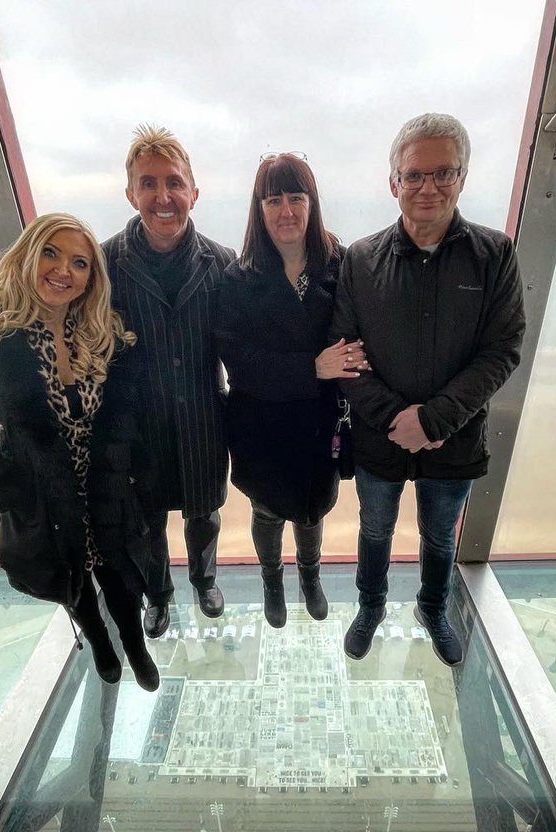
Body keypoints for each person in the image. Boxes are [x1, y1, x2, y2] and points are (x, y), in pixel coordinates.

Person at [0, 212, 160, 691]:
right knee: (72, 581)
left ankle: (134, 644)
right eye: (51, 254)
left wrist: (134, 470)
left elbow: (130, 418)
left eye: (80, 263)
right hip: (43, 496)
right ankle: (98, 641)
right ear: (27, 256)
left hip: (106, 486)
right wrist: (11, 489)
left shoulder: (104, 333)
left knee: (119, 574)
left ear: (91, 278)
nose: (63, 270)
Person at [331, 113, 526, 666]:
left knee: (440, 537)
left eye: (444, 173)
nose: (428, 187)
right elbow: (344, 353)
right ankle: (370, 606)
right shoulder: (360, 259)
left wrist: (434, 420)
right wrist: (397, 420)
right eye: (414, 175)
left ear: (462, 177)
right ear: (393, 182)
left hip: (454, 439)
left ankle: (433, 608)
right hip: (379, 438)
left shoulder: (495, 255)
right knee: (375, 529)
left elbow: (502, 350)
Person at [217, 153, 368, 627]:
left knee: (312, 511)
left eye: (296, 198)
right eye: (274, 200)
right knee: (267, 512)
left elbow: (357, 337)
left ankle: (310, 575)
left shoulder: (340, 264)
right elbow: (239, 362)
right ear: (259, 209)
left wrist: (345, 363)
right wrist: (312, 368)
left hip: (320, 421)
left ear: (312, 203)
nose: (286, 211)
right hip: (262, 424)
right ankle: (271, 580)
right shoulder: (238, 278)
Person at [102, 125, 236, 639]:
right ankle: (158, 595)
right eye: (149, 183)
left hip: (203, 418)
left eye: (174, 183)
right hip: (137, 426)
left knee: (204, 515)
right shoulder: (105, 264)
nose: (163, 196)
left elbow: (243, 349)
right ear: (130, 193)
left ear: (193, 192)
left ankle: (205, 581)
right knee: (146, 521)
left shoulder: (223, 264)